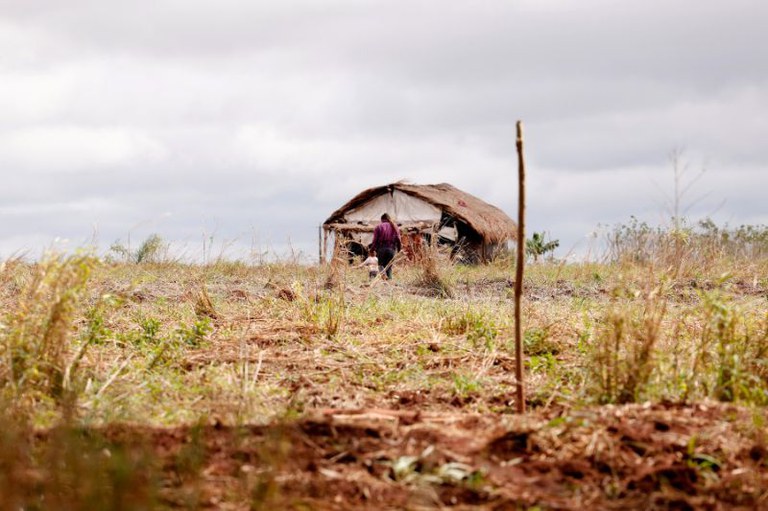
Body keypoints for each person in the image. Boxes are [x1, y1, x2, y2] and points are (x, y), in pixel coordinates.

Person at [371, 213, 401, 280]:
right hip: (392, 249)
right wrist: (399, 249)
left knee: (380, 265)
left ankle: (384, 275)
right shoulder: (395, 227)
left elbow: (375, 240)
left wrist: (372, 249)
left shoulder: (378, 227)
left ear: (382, 219)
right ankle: (389, 281)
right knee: (389, 266)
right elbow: (398, 239)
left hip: (381, 249)